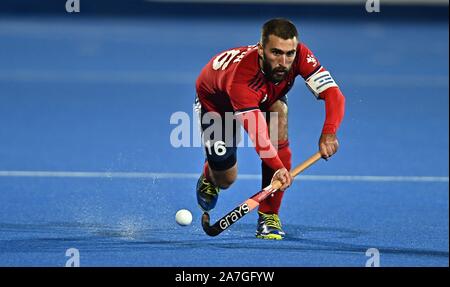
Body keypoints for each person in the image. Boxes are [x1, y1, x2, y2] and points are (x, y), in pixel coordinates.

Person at [194, 18, 345, 240]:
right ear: (261, 50)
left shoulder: (300, 56)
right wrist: (277, 167)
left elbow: (333, 93)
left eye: (289, 54)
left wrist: (329, 132)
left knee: (279, 115)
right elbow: (258, 135)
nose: (283, 62)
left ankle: (269, 215)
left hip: (264, 96)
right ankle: (210, 176)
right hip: (216, 105)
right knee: (226, 178)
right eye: (276, 53)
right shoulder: (241, 80)